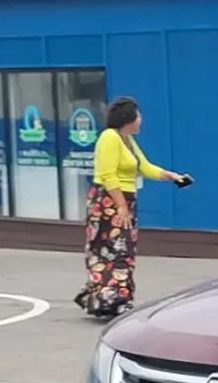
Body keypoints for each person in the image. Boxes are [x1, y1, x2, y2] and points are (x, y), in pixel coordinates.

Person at [75, 97, 189, 320]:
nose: (141, 119)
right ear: (128, 119)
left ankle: (114, 299)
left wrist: (173, 176)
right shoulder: (109, 138)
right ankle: (111, 300)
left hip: (124, 200)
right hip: (108, 201)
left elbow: (144, 167)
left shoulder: (126, 140)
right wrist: (120, 206)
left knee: (123, 250)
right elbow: (107, 175)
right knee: (113, 250)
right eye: (138, 115)